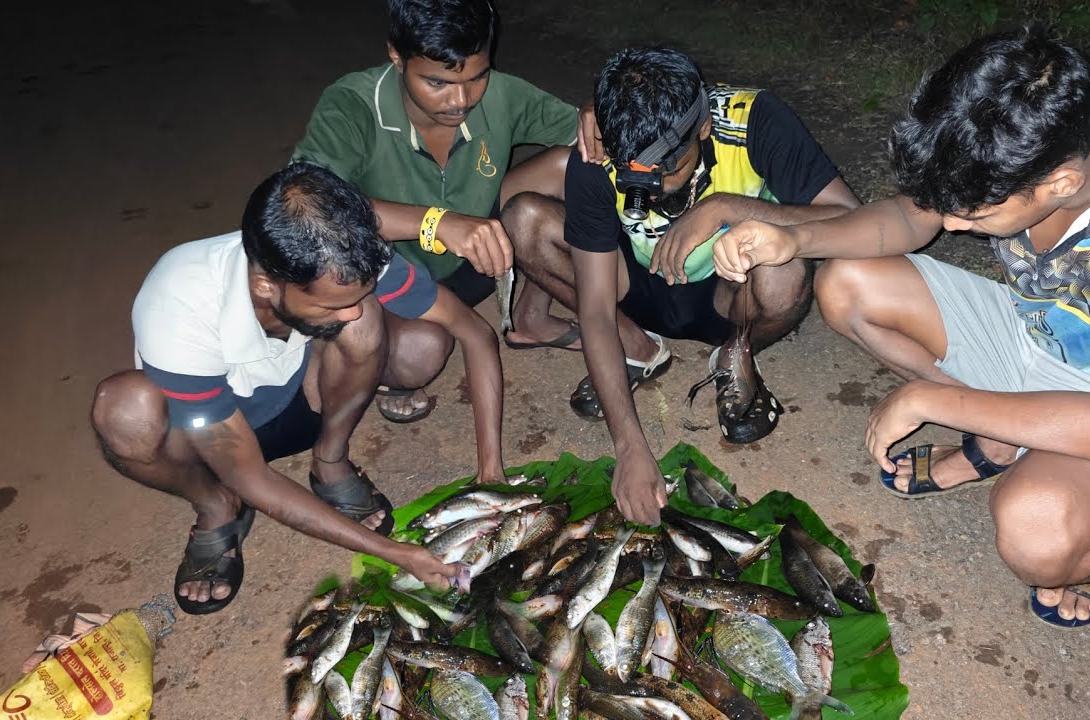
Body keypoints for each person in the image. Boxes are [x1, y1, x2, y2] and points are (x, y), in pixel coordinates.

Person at [712, 28, 1090, 628]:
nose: (949, 224)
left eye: (970, 216)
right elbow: (906, 218)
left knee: (1038, 531)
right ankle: (1006, 435)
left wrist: (940, 398)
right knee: (846, 284)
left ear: (1061, 185)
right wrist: (793, 237)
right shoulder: (1020, 119)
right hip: (1035, 336)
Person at [89, 162, 510, 614]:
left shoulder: (348, 259)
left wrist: (491, 472)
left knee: (369, 321)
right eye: (331, 304)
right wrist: (394, 552)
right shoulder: (177, 304)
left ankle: (330, 459)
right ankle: (214, 507)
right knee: (124, 411)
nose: (346, 311)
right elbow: (247, 472)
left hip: (302, 400)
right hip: (205, 439)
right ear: (265, 285)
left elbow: (473, 332)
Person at [501, 47, 861, 524]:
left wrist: (726, 208)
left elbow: (849, 218)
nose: (654, 191)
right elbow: (593, 309)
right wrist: (629, 445)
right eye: (636, 177)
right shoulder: (604, 145)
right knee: (524, 219)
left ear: (704, 126)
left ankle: (735, 351)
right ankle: (639, 348)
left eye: (670, 169)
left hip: (730, 294)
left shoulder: (755, 119)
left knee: (786, 267)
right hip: (635, 289)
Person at [293, 0, 599, 423]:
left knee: (577, 166)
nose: (461, 100)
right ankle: (360, 351)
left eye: (477, 77)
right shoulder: (352, 105)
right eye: (437, 82)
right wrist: (436, 223)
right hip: (391, 276)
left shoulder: (501, 93)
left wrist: (594, 110)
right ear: (396, 57)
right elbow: (305, 201)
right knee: (421, 354)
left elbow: (589, 133)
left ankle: (531, 316)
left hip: (480, 255)